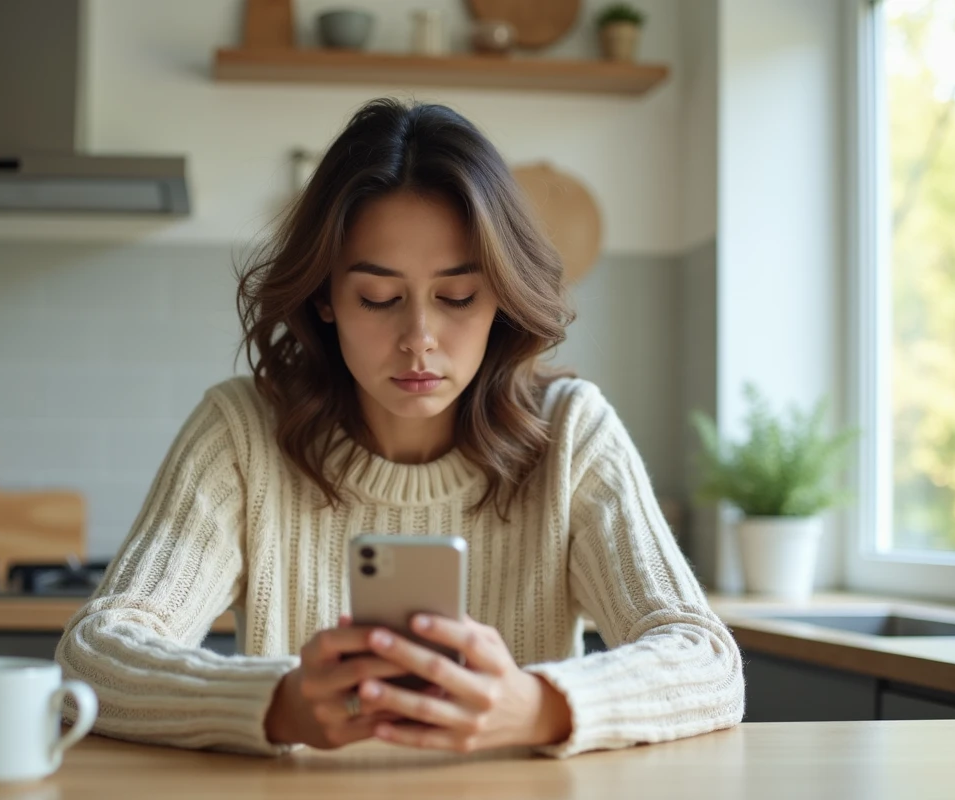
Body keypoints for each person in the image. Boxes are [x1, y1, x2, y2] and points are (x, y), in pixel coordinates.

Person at [55, 98, 744, 758]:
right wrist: (277, 704)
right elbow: (94, 655)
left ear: (500, 297)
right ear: (324, 296)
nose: (420, 339)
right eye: (379, 298)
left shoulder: (572, 433)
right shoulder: (241, 433)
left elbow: (706, 662)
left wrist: (536, 706)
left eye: (457, 296)